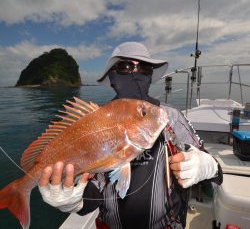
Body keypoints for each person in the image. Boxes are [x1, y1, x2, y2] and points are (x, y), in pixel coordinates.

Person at [38, 42, 223, 229]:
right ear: (112, 76)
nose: (135, 73)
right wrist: (74, 201)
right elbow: (94, 193)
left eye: (144, 67)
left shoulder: (169, 116)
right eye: (125, 67)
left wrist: (209, 167)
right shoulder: (95, 120)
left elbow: (215, 176)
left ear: (150, 75)